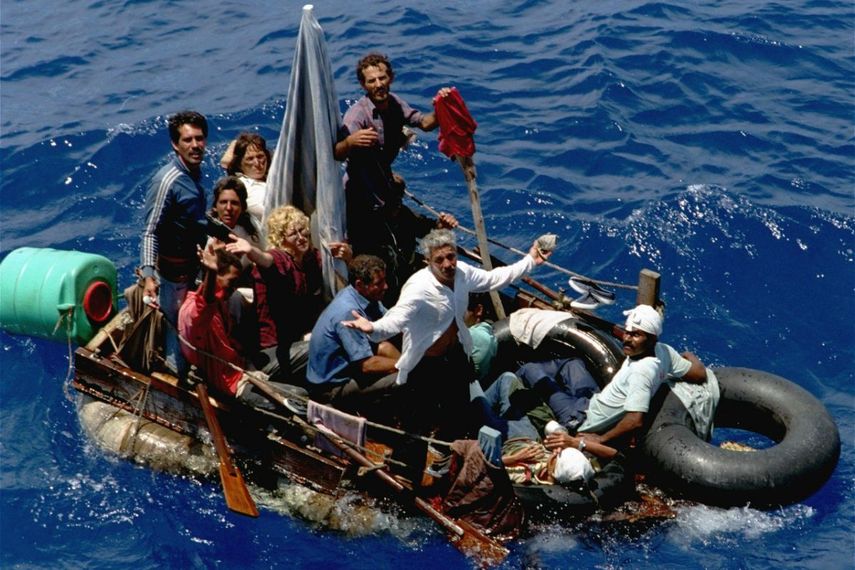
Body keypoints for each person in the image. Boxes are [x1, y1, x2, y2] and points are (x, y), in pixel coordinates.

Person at [342, 228, 550, 437]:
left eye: (451, 256)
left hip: (456, 355)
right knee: (417, 420)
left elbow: (494, 278)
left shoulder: (463, 274)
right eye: (439, 260)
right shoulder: (418, 287)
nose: (447, 264)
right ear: (428, 262)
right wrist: (373, 328)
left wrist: (530, 260)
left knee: (458, 412)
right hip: (426, 365)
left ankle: (448, 455)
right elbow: (398, 317)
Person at [543, 304, 707, 454]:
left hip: (582, 419)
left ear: (652, 339)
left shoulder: (642, 372)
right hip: (593, 401)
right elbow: (699, 373)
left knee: (532, 373)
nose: (627, 339)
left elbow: (635, 421)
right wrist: (688, 355)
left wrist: (601, 439)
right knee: (574, 363)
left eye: (636, 335)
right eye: (627, 332)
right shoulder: (664, 351)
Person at [334, 53, 450, 256]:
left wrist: (442, 104)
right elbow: (335, 153)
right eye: (372, 81)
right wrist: (349, 142)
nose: (378, 84)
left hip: (385, 191)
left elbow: (425, 123)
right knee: (371, 250)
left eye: (382, 78)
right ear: (363, 85)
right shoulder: (357, 115)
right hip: (359, 198)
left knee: (408, 239)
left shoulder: (395, 104)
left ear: (390, 79)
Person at [226, 205, 351, 381]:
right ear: (281, 239)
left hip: (298, 340)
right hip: (272, 351)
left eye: (303, 231)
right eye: (293, 234)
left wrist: (346, 257)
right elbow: (266, 260)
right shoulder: (280, 258)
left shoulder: (310, 259)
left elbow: (329, 265)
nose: (301, 237)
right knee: (328, 344)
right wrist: (251, 251)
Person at [177, 244, 304, 412]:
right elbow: (204, 305)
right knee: (299, 397)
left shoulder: (222, 304)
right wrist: (211, 271)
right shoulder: (193, 313)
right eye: (231, 282)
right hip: (233, 383)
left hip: (245, 365)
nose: (234, 289)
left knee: (307, 351)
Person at [139, 110, 209, 376]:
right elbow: (150, 231)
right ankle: (174, 380)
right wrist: (148, 276)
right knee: (177, 337)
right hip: (173, 276)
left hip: (193, 266)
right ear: (175, 144)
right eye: (188, 140)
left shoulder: (195, 173)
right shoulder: (166, 181)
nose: (195, 145)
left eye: (199, 139)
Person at [306, 255, 400, 413]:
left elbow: (391, 322)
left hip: (347, 368)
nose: (386, 287)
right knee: (402, 379)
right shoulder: (348, 312)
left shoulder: (366, 295)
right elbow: (366, 365)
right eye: (379, 283)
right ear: (360, 284)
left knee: (386, 347)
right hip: (331, 388)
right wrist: (407, 365)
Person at [221, 132, 271, 233]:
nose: (257, 163)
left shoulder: (271, 175)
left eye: (260, 156)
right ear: (239, 164)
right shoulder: (244, 188)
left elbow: (225, 163)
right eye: (250, 159)